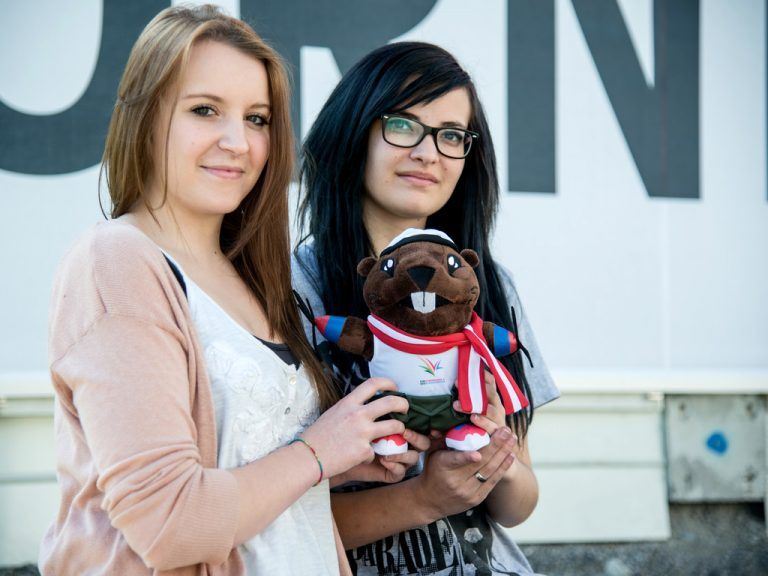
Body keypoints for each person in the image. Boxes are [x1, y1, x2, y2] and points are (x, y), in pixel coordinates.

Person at [40, 5, 408, 575]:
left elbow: (246, 465)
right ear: (146, 115)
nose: (237, 141)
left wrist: (349, 457)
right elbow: (171, 525)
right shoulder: (117, 262)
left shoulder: (254, 275)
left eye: (257, 119)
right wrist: (318, 452)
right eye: (205, 110)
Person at [293, 41, 559, 575]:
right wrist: (424, 498)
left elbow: (519, 505)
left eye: (451, 135)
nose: (429, 152)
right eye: (403, 126)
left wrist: (494, 458)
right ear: (354, 133)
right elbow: (269, 522)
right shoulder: (294, 287)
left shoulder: (487, 286)